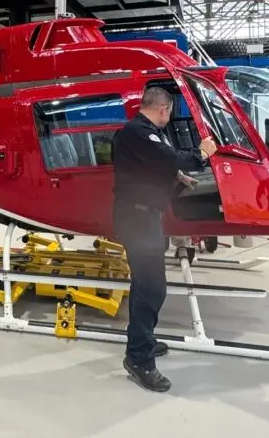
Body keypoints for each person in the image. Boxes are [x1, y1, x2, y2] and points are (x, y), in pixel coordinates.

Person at [111, 86, 217, 392]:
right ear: (163, 109)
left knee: (147, 286)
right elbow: (168, 157)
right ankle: (139, 359)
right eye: (169, 112)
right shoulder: (140, 133)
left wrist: (177, 178)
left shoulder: (140, 132)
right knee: (151, 288)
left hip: (143, 216)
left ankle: (142, 340)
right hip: (137, 219)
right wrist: (202, 153)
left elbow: (151, 166)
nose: (168, 117)